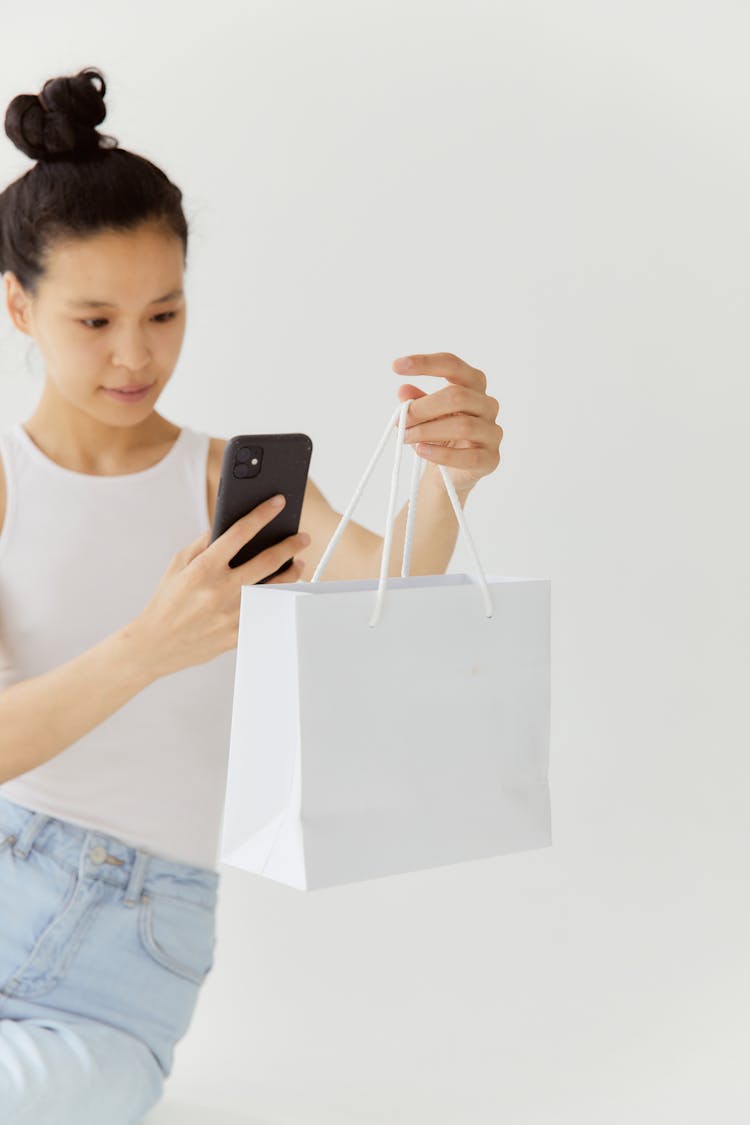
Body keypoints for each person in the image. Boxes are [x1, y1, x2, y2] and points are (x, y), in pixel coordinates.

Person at [0, 66, 501, 1125]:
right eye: (93, 321)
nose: (137, 355)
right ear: (17, 304)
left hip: (121, 970)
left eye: (165, 311)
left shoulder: (222, 479)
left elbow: (399, 582)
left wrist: (447, 476)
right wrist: (150, 644)